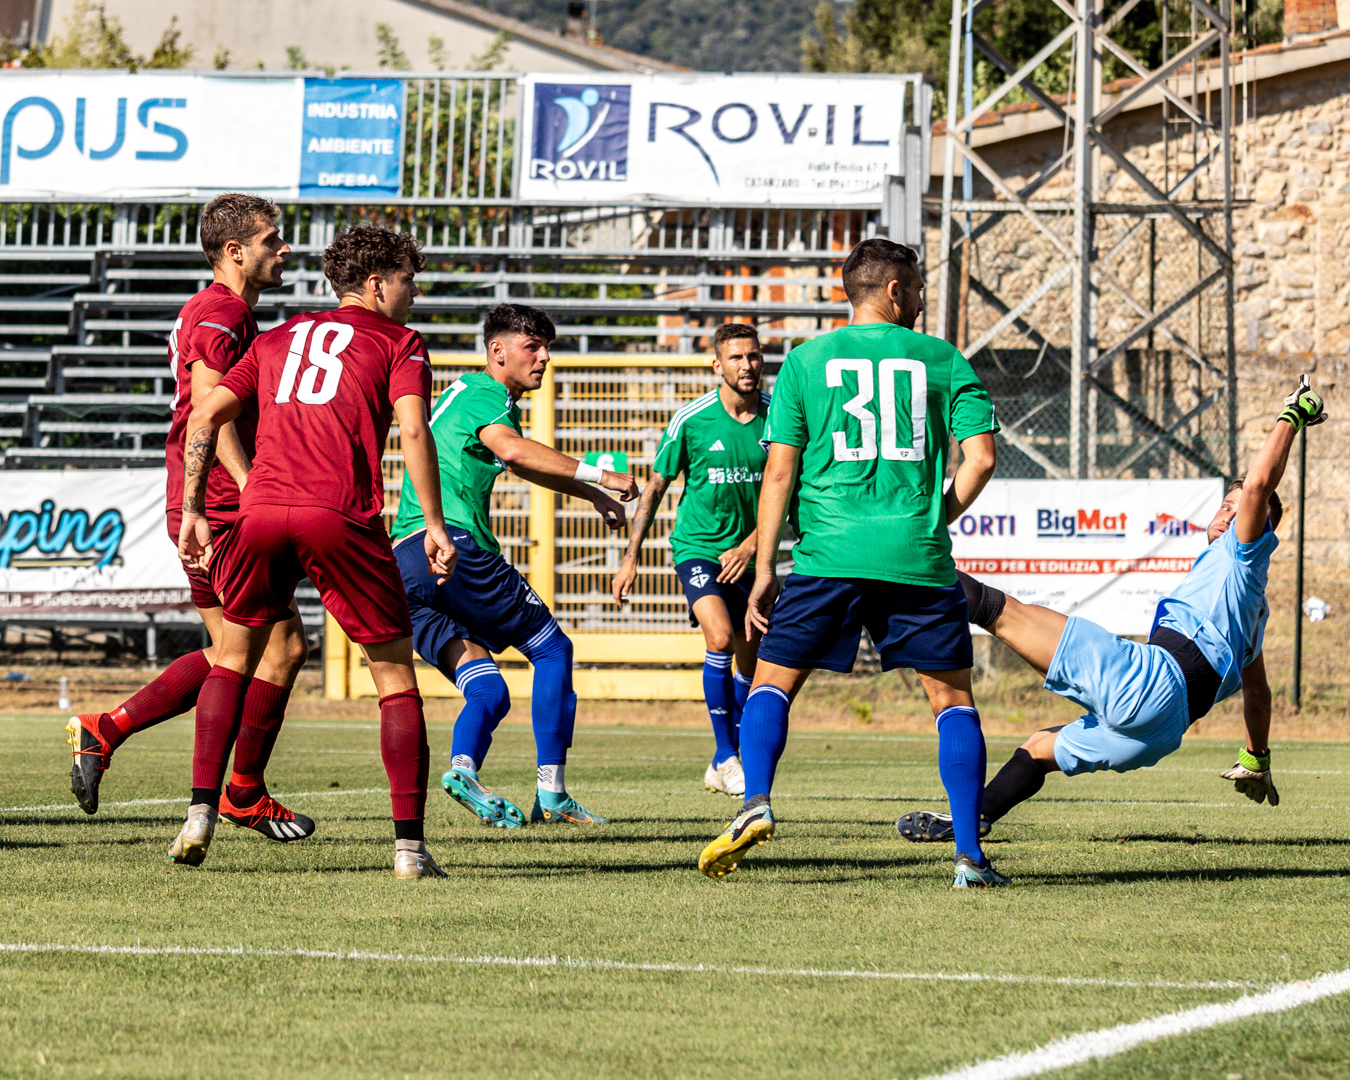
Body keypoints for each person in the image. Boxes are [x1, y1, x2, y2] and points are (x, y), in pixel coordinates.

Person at [895, 376, 1325, 845]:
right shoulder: (1253, 611)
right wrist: (1256, 759)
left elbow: (1259, 483)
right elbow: (1257, 692)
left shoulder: (1243, 554)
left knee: (999, 611)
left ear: (1260, 528)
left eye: (1241, 511)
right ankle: (973, 818)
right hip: (1160, 733)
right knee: (1039, 748)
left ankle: (897, 557)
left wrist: (1292, 415)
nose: (1228, 516)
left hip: (1151, 682)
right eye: (1225, 505)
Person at [696, 237, 1004, 887]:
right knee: (952, 702)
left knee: (772, 684)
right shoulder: (943, 359)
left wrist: (765, 568)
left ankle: (755, 803)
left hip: (826, 554)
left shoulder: (805, 362)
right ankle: (969, 857)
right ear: (893, 290)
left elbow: (779, 473)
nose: (920, 299)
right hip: (915, 558)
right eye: (916, 288)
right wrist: (934, 518)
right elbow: (981, 460)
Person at [173, 225, 457, 878]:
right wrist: (435, 524)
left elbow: (204, 415)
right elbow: (414, 429)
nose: (413, 294)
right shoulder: (400, 342)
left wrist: (193, 509)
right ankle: (409, 851)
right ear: (377, 283)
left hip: (260, 511)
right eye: (408, 280)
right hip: (338, 513)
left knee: (233, 658)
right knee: (394, 676)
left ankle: (198, 814)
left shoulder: (277, 337)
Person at [66, 193, 311, 842]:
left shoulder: (212, 309)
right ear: (235, 251)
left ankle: (106, 730)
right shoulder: (224, 311)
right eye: (271, 240)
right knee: (279, 648)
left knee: (238, 649)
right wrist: (248, 487)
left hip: (201, 499)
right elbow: (209, 407)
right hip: (223, 507)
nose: (283, 249)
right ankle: (241, 792)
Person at [390, 302, 636, 829]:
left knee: (488, 688)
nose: (544, 358)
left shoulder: (463, 395)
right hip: (454, 547)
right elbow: (515, 450)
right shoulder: (488, 394)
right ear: (497, 350)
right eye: (533, 347)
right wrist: (603, 475)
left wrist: (589, 494)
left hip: (407, 562)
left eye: (547, 348)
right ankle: (553, 792)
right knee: (553, 649)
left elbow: (517, 460)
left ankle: (463, 771)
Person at [611, 323, 768, 797]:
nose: (747, 365)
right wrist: (631, 558)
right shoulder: (692, 419)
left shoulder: (779, 418)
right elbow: (655, 487)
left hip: (751, 558)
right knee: (719, 637)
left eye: (753, 356)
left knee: (750, 660)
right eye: (736, 357)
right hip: (698, 549)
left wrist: (752, 545)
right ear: (717, 365)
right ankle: (727, 754)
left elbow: (788, 493)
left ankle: (723, 761)